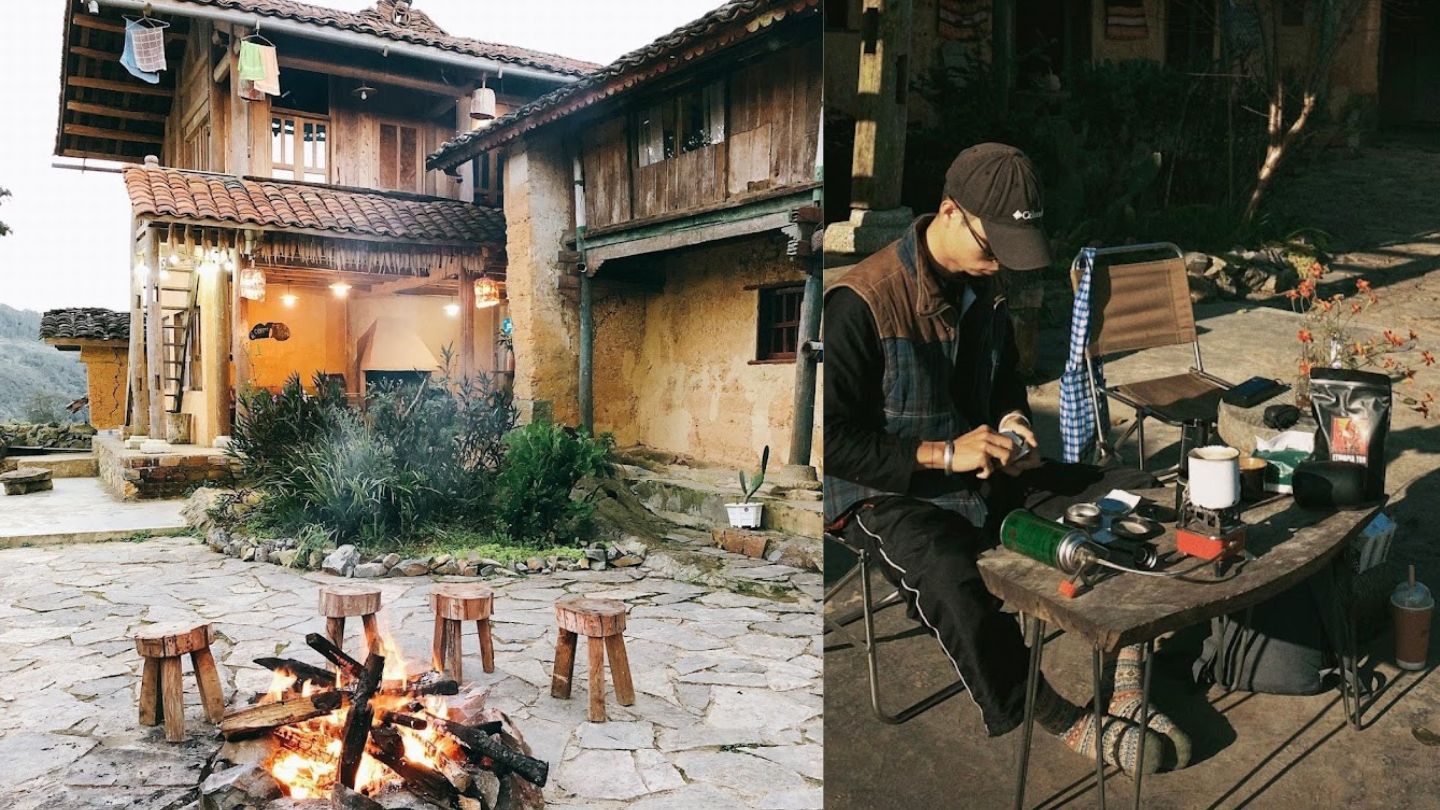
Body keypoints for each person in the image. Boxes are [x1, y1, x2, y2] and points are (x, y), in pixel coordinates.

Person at [823, 143, 1190, 773]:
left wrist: (1014, 422)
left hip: (982, 472)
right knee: (952, 579)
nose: (998, 266)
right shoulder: (858, 303)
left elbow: (1003, 386)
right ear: (948, 212)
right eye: (990, 248)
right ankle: (1058, 715)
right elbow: (832, 445)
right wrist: (943, 453)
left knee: (1135, 494)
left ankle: (1127, 670)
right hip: (886, 491)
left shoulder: (982, 289)